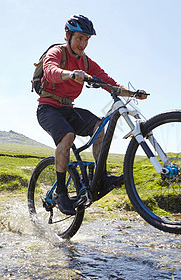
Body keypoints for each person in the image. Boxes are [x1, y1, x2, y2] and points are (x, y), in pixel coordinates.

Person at [36, 14, 147, 215]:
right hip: (48, 108)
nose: (83, 43)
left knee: (99, 127)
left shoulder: (86, 63)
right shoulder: (57, 52)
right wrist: (70, 74)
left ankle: (101, 177)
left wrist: (133, 93)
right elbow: (50, 71)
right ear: (68, 35)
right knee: (67, 136)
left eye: (87, 39)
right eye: (79, 38)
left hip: (68, 109)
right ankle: (61, 192)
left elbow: (109, 82)